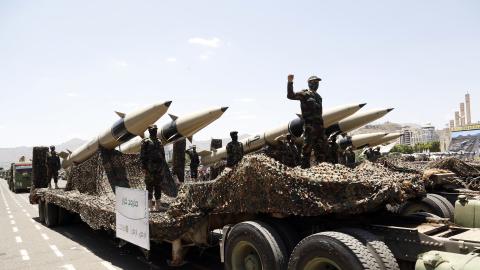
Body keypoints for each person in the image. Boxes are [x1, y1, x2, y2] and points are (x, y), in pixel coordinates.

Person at [287, 74, 328, 168]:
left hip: (320, 128)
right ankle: (304, 171)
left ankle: (322, 171)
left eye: (317, 82)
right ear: (309, 83)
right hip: (310, 127)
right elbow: (290, 95)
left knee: (321, 151)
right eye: (314, 82)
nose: (316, 84)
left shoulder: (319, 97)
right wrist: (290, 82)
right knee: (307, 150)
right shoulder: (304, 94)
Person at [140, 125, 167, 211]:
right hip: (149, 168)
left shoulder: (159, 141)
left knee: (158, 186)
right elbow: (142, 155)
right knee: (149, 186)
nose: (154, 131)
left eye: (155, 130)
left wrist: (163, 166)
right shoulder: (146, 141)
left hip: (158, 168)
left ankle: (158, 205)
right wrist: (144, 167)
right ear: (149, 131)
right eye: (152, 130)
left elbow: (163, 155)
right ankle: (149, 206)